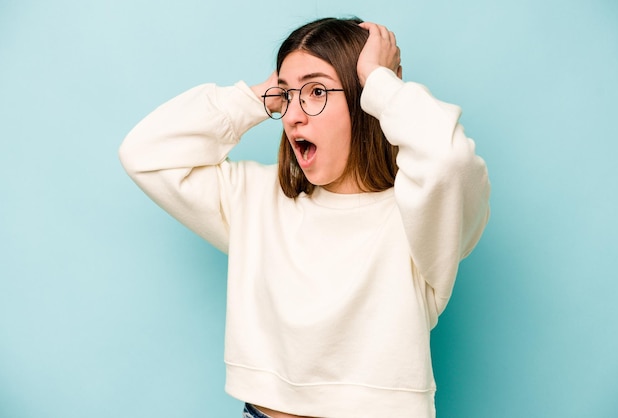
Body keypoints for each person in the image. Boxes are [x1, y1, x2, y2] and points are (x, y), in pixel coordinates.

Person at [119, 17, 490, 418]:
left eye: (315, 91)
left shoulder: (420, 215)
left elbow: (449, 160)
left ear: (363, 98)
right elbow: (145, 153)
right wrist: (259, 96)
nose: (294, 114)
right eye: (288, 95)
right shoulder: (255, 200)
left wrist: (381, 82)